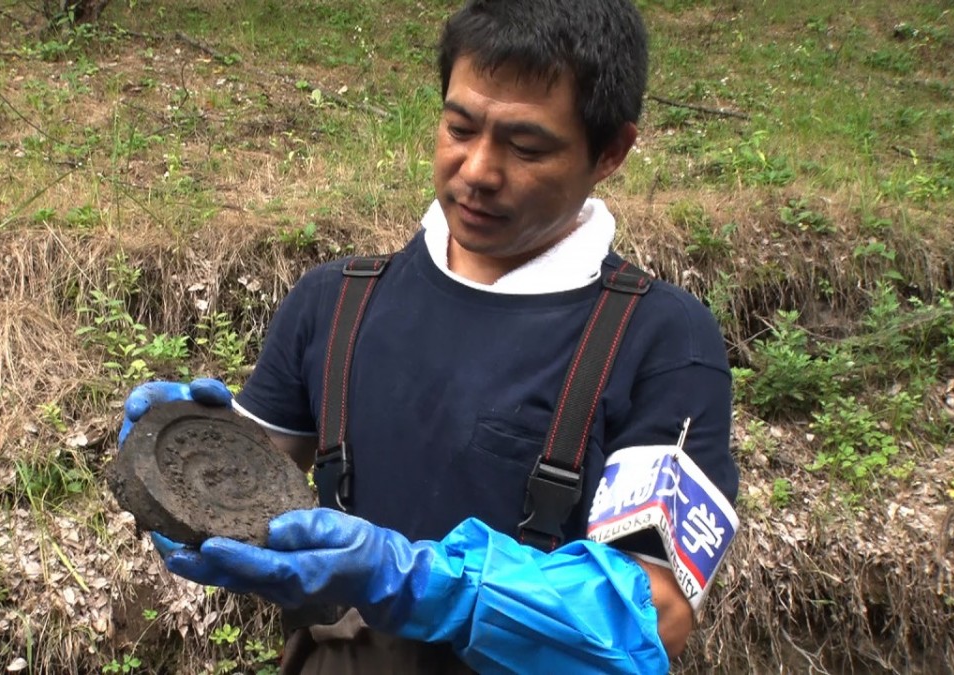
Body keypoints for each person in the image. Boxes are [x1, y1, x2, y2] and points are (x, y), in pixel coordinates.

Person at [118, 0, 740, 673]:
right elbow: (244, 497)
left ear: (611, 151)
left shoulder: (662, 340)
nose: (476, 170)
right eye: (459, 126)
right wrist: (177, 450)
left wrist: (426, 583)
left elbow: (657, 612)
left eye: (526, 146)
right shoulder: (336, 301)